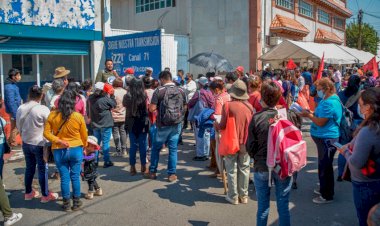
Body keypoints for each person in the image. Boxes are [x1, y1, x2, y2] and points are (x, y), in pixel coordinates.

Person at [246, 81, 291, 225]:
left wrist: (255, 157)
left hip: (262, 164)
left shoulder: (257, 118)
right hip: (283, 165)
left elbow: (250, 146)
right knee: (283, 205)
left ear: (263, 98)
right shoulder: (286, 115)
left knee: (263, 206)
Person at [338, 87, 380, 226]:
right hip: (373, 180)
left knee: (366, 220)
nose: (358, 107)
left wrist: (345, 151)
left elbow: (356, 162)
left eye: (360, 104)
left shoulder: (369, 131)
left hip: (366, 185)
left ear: (368, 107)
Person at [299, 78, 342, 204]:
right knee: (324, 165)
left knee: (325, 167)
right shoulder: (329, 99)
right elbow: (320, 115)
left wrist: (309, 115)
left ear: (327, 89)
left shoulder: (330, 102)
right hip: (324, 137)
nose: (318, 93)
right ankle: (324, 188)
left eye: (319, 90)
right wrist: (311, 112)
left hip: (327, 138)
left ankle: (327, 195)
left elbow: (321, 122)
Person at [43, 90, 88, 211]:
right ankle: (76, 202)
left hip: (59, 150)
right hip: (76, 149)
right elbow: (84, 135)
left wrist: (58, 140)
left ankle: (66, 204)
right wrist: (84, 147)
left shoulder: (52, 115)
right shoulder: (78, 116)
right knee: (75, 176)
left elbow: (46, 133)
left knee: (64, 177)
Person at [16, 86, 58, 203]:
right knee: (42, 168)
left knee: (29, 167)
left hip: (26, 142)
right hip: (40, 143)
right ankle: (45, 195)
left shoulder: (21, 107)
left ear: (29, 95)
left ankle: (28, 192)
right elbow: (50, 127)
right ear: (41, 96)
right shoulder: (43, 109)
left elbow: (19, 125)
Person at [215, 80, 253, 205]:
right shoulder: (249, 106)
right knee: (245, 168)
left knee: (232, 169)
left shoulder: (228, 105)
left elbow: (223, 124)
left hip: (232, 140)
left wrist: (216, 125)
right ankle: (244, 196)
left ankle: (233, 196)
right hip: (246, 141)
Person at [146, 71, 186, 182]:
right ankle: (171, 174)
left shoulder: (159, 91)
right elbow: (185, 106)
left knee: (156, 149)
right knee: (173, 149)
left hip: (162, 125)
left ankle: (153, 172)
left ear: (162, 79)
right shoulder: (181, 90)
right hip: (176, 124)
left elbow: (152, 109)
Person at [337, 75, 363, 181]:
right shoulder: (360, 96)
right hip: (358, 124)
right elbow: (362, 113)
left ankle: (340, 174)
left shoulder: (340, 94)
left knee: (343, 149)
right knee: (356, 150)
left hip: (344, 124)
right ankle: (352, 172)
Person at [123, 78, 149, 175]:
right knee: (143, 145)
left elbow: (124, 104)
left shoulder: (127, 96)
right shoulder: (144, 95)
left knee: (133, 146)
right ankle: (143, 165)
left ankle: (132, 167)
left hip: (131, 122)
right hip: (142, 122)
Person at [88, 82, 117, 168]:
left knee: (96, 143)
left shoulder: (91, 98)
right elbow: (114, 104)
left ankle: (95, 161)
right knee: (105, 143)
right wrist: (112, 95)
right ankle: (106, 161)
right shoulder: (105, 99)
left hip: (95, 124)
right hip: (106, 124)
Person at [188, 77, 215, 161]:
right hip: (208, 115)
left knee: (199, 135)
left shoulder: (199, 92)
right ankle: (206, 154)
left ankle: (200, 154)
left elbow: (191, 103)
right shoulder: (211, 92)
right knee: (207, 135)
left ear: (200, 84)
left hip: (199, 116)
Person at [209, 80, 230, 173]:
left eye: (212, 91)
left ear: (217, 89)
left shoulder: (219, 99)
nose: (212, 93)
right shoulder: (228, 95)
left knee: (218, 149)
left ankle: (219, 169)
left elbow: (217, 114)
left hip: (220, 125)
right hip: (229, 124)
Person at [4, 68, 22, 147]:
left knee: (15, 126)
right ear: (13, 77)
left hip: (16, 109)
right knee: (18, 126)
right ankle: (10, 141)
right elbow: (10, 102)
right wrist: (15, 114)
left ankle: (10, 141)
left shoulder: (12, 85)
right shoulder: (9, 87)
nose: (19, 77)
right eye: (18, 75)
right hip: (14, 110)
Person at [111, 78, 128, 157]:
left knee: (115, 133)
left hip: (114, 116)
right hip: (124, 115)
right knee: (123, 132)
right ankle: (124, 150)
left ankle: (118, 150)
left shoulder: (112, 92)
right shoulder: (125, 92)